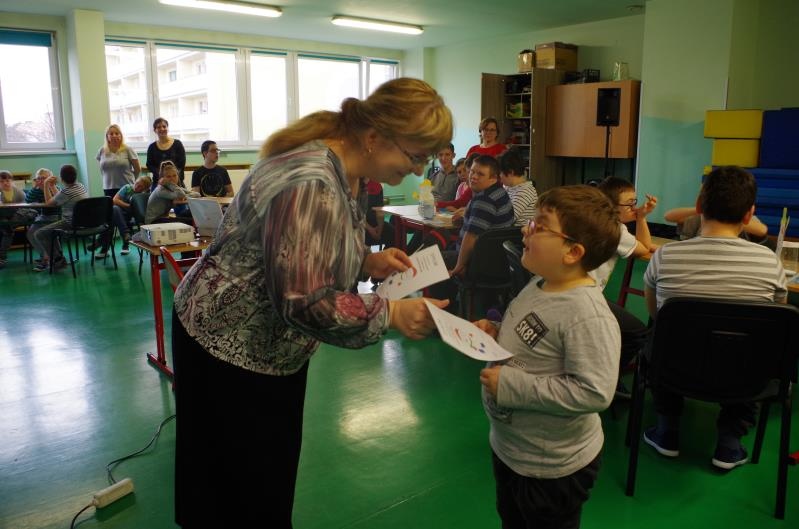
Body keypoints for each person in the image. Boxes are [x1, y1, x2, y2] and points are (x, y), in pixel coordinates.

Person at [170, 78, 453, 528]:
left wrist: (366, 261)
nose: (418, 171)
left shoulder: (347, 168)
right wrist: (391, 313)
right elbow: (303, 303)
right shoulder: (312, 180)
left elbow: (306, 247)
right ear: (375, 136)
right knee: (240, 492)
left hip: (266, 347)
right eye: (415, 156)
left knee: (260, 478)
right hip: (228, 346)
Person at [474, 185, 621, 529]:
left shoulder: (587, 315)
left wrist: (512, 387)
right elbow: (533, 335)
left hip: (551, 467)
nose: (526, 230)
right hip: (512, 450)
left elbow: (594, 392)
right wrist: (496, 330)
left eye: (540, 226)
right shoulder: (540, 283)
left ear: (573, 251)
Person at [642, 165, 787, 470]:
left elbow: (656, 314)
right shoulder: (770, 262)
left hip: (675, 368)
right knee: (756, 347)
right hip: (743, 377)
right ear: (749, 215)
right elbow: (776, 324)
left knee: (659, 336)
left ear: (698, 207)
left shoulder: (665, 256)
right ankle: (729, 443)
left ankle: (667, 429)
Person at [595, 176, 658, 399]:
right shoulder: (615, 229)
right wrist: (642, 218)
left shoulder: (595, 221)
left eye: (635, 202)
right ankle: (606, 380)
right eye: (629, 204)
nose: (634, 207)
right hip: (585, 296)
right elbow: (645, 248)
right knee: (638, 333)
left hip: (574, 289)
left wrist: (638, 215)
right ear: (612, 207)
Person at [428, 155, 515, 312]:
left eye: (480, 174)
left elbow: (471, 237)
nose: (473, 177)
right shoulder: (500, 193)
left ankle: (442, 314)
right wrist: (464, 220)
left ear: (493, 178)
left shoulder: (484, 200)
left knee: (434, 260)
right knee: (436, 239)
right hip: (498, 262)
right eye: (472, 172)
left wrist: (459, 266)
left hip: (479, 263)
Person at [27, 164, 88, 272]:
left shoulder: (66, 191)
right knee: (46, 231)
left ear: (61, 178)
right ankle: (57, 258)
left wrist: (47, 185)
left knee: (40, 233)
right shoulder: (80, 186)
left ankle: (56, 259)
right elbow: (59, 197)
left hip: (69, 222)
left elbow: (49, 203)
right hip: (82, 222)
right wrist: (49, 186)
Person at [664, 204, 768, 242]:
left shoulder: (746, 218)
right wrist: (701, 208)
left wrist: (729, 215)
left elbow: (762, 230)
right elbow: (669, 216)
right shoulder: (702, 215)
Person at [105, 175, 152, 256]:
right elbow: (115, 200)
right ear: (135, 181)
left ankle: (102, 246)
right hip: (120, 214)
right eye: (137, 183)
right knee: (115, 209)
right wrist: (129, 206)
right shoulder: (127, 188)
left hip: (130, 216)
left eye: (140, 186)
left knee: (111, 219)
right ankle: (125, 236)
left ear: (144, 189)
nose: (137, 187)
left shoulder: (142, 195)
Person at [96, 123, 140, 198]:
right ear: (107, 137)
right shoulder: (102, 151)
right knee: (111, 205)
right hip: (108, 188)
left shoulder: (128, 149)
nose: (114, 136)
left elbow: (137, 169)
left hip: (126, 187)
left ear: (121, 136)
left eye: (117, 133)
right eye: (111, 134)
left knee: (125, 205)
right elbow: (102, 170)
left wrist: (132, 182)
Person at [498, 147, 538, 226]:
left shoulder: (525, 192)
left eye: (500, 173)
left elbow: (506, 219)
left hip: (518, 231)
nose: (499, 176)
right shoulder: (508, 186)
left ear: (511, 172)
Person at [146, 117, 186, 189]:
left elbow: (181, 163)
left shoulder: (178, 144)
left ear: (167, 128)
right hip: (159, 183)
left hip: (176, 183)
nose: (162, 129)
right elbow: (149, 164)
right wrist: (162, 175)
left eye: (164, 126)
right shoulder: (152, 147)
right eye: (159, 127)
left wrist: (171, 176)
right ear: (155, 130)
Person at [0, 169, 26, 269]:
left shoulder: (19, 193)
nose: (5, 183)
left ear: (12, 181)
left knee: (8, 229)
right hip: (2, 217)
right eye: (1, 181)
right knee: (7, 229)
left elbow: (24, 208)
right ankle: (2, 257)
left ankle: (2, 258)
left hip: (14, 218)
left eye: (7, 180)